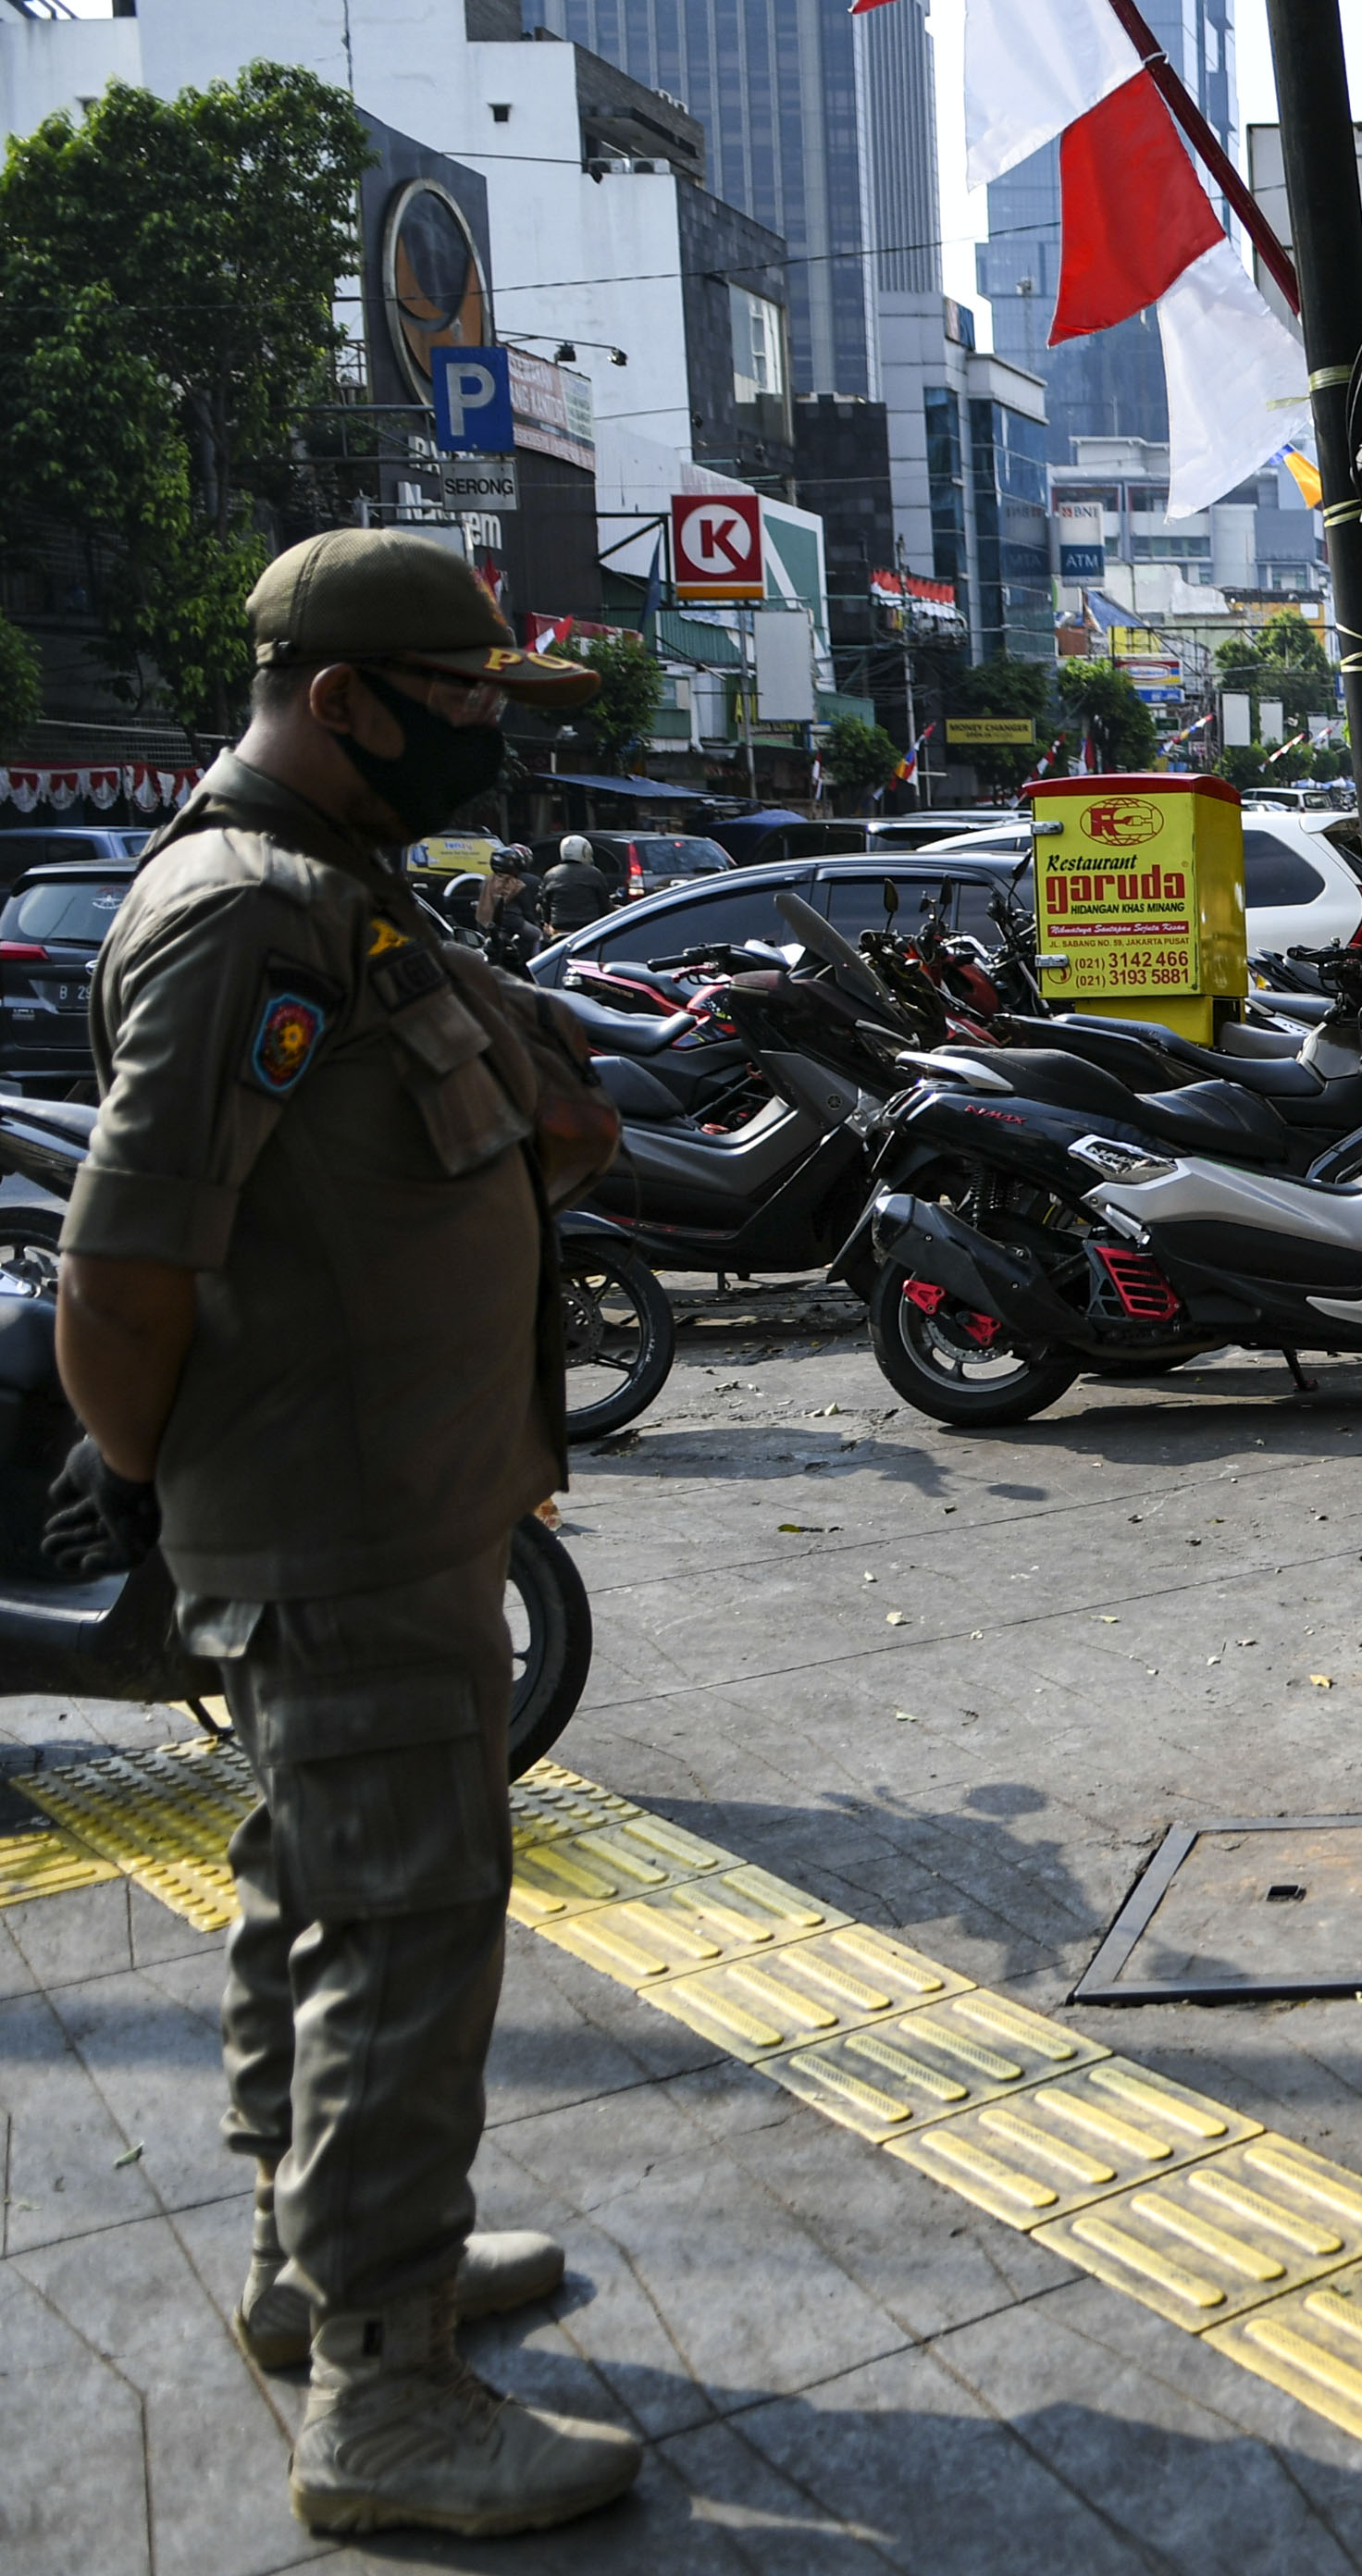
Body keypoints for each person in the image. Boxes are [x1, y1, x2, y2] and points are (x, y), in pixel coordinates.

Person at [46, 530, 637, 2539]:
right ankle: (386, 2399)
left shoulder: (353, 902)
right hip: (334, 1525)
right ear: (341, 702)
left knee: (324, 1893)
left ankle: (324, 2274)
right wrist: (163, 1490)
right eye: (464, 706)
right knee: (401, 1928)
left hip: (403, 1511)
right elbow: (121, 1280)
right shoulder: (237, 924)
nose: (488, 740)